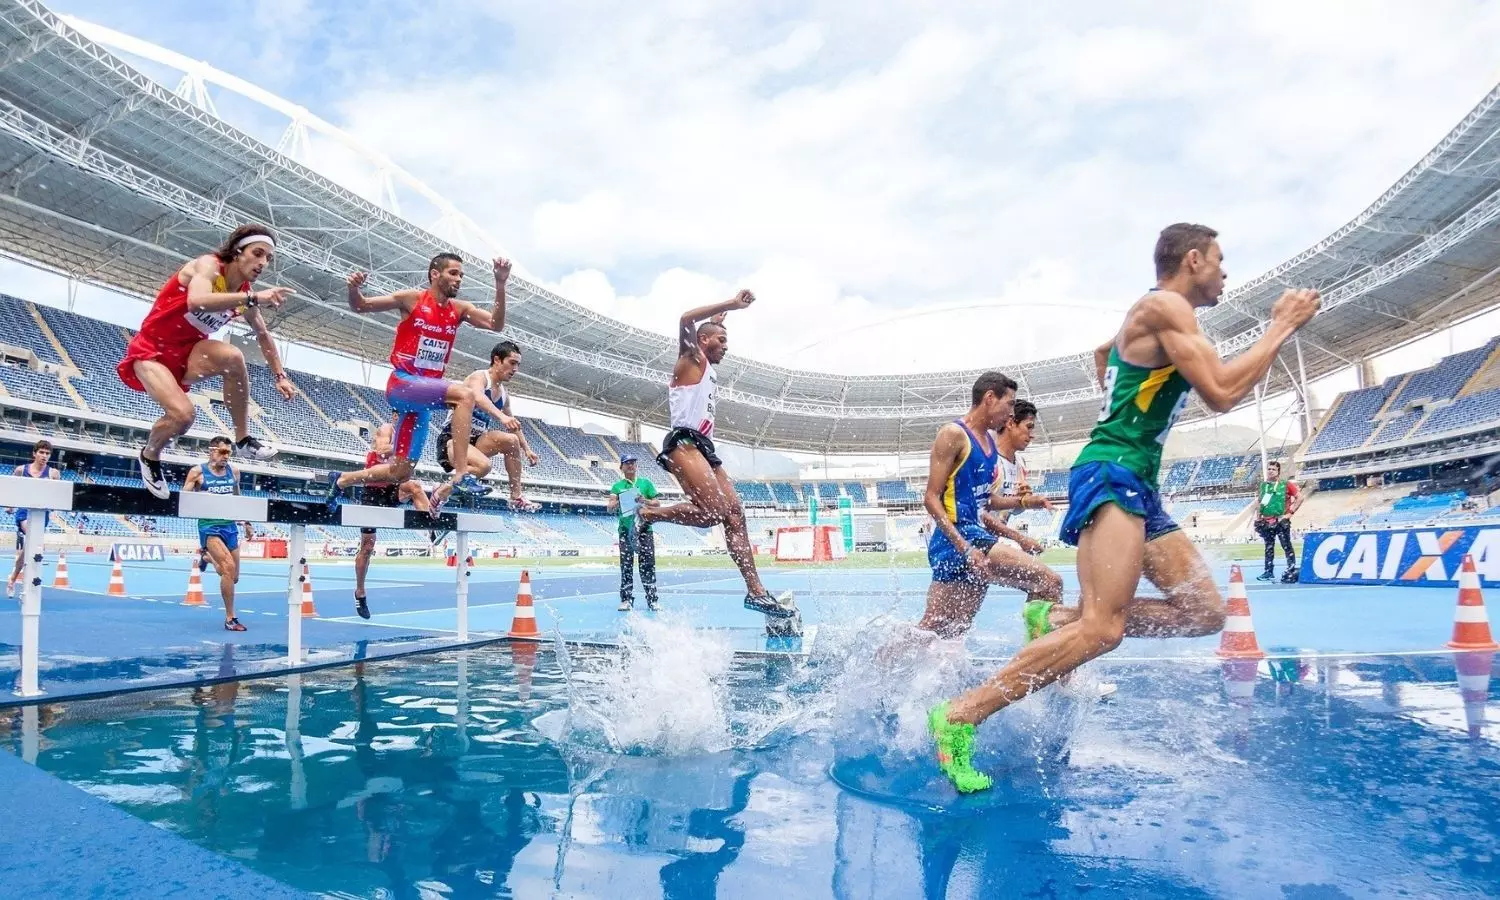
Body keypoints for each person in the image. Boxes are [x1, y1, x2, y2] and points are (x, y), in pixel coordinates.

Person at [928, 222, 1321, 793]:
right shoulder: (1165, 305)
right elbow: (1221, 391)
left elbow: (1104, 352)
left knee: (1203, 613)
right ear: (1192, 260)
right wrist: (1280, 326)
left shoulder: (1158, 318)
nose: (1225, 273)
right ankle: (960, 716)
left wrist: (1125, 395)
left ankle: (1056, 619)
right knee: (1104, 630)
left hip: (1137, 479)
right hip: (1113, 473)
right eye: (1218, 261)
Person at [636, 291, 796, 619]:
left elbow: (705, 329)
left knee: (735, 513)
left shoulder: (706, 365)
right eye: (720, 340)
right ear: (703, 341)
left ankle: (756, 592)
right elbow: (685, 320)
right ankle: (651, 515)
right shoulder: (691, 359)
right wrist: (729, 305)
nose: (726, 345)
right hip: (684, 444)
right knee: (713, 513)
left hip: (705, 449)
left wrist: (719, 322)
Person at [119, 224, 295, 498]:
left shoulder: (244, 293)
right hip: (152, 351)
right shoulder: (209, 266)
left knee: (233, 357)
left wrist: (280, 375)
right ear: (237, 252)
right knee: (183, 416)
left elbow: (263, 335)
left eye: (268, 258)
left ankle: (243, 439)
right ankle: (150, 455)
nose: (263, 263)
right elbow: (196, 301)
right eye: (258, 253)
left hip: (188, 353)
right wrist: (252, 297)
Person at [325, 254, 511, 511]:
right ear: (435, 274)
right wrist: (353, 289)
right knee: (465, 395)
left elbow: (495, 324)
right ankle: (460, 474)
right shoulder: (411, 299)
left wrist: (500, 284)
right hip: (402, 384)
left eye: (461, 275)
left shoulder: (459, 310)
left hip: (423, 398)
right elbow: (361, 306)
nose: (458, 280)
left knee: (400, 471)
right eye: (453, 273)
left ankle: (343, 480)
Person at [435, 340, 541, 511]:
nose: (515, 369)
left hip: (476, 442)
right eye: (512, 363)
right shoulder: (479, 377)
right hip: (452, 440)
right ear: (497, 360)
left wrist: (527, 449)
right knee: (484, 466)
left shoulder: (504, 395)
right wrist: (500, 416)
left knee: (511, 440)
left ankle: (516, 497)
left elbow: (513, 424)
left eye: (518, 365)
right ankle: (441, 492)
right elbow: (477, 396)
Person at [352, 423, 433, 620]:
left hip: (391, 490)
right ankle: (360, 592)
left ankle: (431, 526)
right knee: (368, 547)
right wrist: (405, 448)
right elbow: (382, 449)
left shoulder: (406, 435)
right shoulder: (387, 430)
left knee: (415, 487)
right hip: (372, 493)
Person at [183, 436, 254, 631]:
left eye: (229, 453)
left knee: (233, 577)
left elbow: (237, 498)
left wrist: (246, 522)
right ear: (211, 451)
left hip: (230, 526)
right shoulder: (198, 472)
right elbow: (184, 500)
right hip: (209, 526)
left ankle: (206, 557)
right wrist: (202, 497)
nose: (226, 457)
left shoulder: (234, 471)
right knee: (228, 569)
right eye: (222, 452)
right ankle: (230, 618)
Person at [6, 440, 60, 599]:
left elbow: (56, 495)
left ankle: (14, 577)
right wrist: (10, 505)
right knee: (31, 538)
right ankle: (25, 584)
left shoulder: (53, 474)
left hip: (42, 514)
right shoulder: (21, 470)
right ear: (34, 453)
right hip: (24, 511)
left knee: (29, 548)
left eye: (47, 453)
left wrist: (55, 509)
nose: (44, 456)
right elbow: (11, 487)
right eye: (41, 452)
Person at [609, 455, 660, 612]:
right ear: (622, 467)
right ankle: (626, 600)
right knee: (626, 565)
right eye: (627, 463)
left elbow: (657, 503)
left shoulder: (646, 483)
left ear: (636, 466)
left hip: (645, 529)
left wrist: (644, 500)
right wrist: (621, 500)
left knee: (648, 564)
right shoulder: (617, 486)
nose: (630, 465)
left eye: (633, 463)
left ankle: (652, 600)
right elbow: (610, 507)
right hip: (625, 530)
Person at [1255, 461, 1301, 583]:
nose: (1270, 471)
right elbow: (1260, 502)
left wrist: (1290, 513)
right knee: (1268, 547)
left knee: (1286, 546)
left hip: (1281, 520)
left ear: (1278, 471)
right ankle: (1268, 571)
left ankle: (1291, 569)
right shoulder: (1264, 486)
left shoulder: (1286, 484)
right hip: (1267, 521)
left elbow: (1300, 498)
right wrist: (1258, 517)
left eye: (1273, 469)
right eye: (1269, 469)